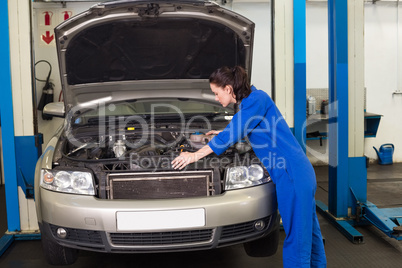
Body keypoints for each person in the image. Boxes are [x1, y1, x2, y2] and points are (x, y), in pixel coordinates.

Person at [171, 66, 327, 267]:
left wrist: (195, 156)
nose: (216, 99)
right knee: (309, 234)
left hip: (292, 176)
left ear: (228, 89)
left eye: (216, 93)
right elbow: (247, 126)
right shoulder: (253, 102)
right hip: (298, 173)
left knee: (297, 239)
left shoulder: (255, 100)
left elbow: (238, 127)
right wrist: (222, 133)